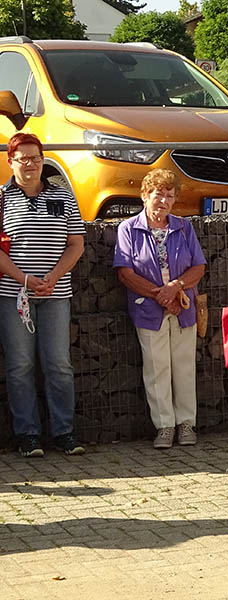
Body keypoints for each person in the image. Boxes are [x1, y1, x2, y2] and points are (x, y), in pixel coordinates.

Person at [0, 132, 86, 457]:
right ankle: (28, 435)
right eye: (24, 158)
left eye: (36, 157)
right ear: (11, 161)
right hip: (13, 295)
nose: (31, 164)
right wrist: (23, 279)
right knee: (20, 365)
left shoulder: (63, 195)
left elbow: (76, 243)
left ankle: (64, 432)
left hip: (56, 293)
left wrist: (53, 277)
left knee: (59, 365)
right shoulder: (0, 198)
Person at [113, 169, 207, 449]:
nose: (164, 201)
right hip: (148, 308)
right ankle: (164, 426)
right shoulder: (128, 229)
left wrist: (175, 287)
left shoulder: (183, 226)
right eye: (158, 194)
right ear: (145, 196)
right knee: (157, 369)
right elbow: (125, 273)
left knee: (184, 367)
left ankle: (187, 424)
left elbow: (199, 267)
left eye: (170, 195)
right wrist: (161, 295)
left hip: (183, 307)